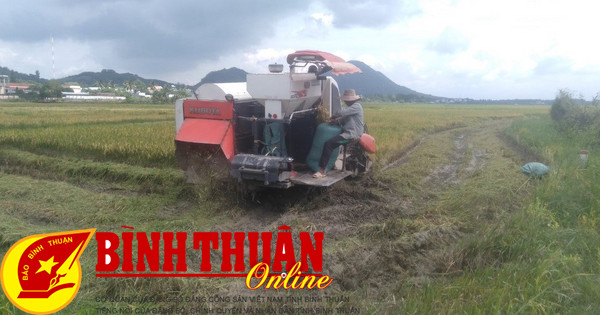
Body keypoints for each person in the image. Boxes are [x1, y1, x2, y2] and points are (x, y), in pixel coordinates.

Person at [313, 89, 364, 178]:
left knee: (329, 144)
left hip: (352, 134)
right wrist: (335, 121)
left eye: (346, 100)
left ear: (351, 100)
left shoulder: (357, 106)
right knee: (330, 143)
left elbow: (343, 113)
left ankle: (322, 171)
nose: (345, 101)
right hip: (349, 133)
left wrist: (334, 115)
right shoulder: (350, 109)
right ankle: (327, 166)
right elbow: (344, 118)